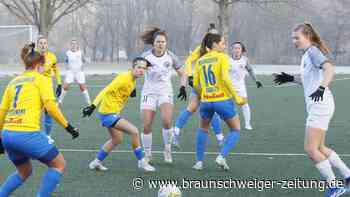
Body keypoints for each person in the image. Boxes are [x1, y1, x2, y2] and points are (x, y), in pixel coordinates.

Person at [273, 22, 350, 197]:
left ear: (307, 36)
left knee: (311, 149)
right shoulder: (307, 54)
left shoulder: (313, 52)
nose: (294, 41)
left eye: (297, 37)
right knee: (320, 147)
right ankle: (348, 176)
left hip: (320, 106)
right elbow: (308, 79)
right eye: (293, 38)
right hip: (320, 105)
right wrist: (290, 78)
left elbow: (330, 69)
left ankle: (335, 186)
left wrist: (322, 88)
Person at [0, 43, 79, 197]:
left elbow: (2, 111)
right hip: (27, 133)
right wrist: (68, 127)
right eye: (44, 66)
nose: (45, 69)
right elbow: (51, 108)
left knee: (24, 171)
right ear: (38, 65)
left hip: (8, 135)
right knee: (59, 164)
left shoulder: (13, 82)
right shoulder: (41, 79)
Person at [82, 57, 155, 172]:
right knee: (134, 131)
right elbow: (106, 90)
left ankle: (96, 162)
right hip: (108, 113)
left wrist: (132, 89)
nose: (141, 70)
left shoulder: (132, 79)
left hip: (110, 112)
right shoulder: (124, 78)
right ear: (132, 67)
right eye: (139, 67)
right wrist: (92, 106)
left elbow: (127, 88)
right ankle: (142, 161)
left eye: (144, 68)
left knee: (116, 139)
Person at [192, 33, 246, 171]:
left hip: (206, 101)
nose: (225, 46)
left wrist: (204, 95)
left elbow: (196, 84)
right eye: (222, 43)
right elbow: (226, 79)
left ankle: (199, 162)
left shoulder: (200, 60)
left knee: (203, 129)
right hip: (222, 99)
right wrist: (237, 97)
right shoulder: (223, 57)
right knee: (236, 129)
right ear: (214, 44)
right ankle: (221, 156)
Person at [140, 27, 187, 164]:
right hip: (148, 92)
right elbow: (135, 71)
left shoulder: (171, 56)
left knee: (167, 121)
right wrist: (131, 86)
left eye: (163, 42)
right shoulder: (146, 56)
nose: (160, 44)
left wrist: (183, 86)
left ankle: (167, 149)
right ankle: (148, 154)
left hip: (165, 92)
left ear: (166, 43)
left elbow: (183, 73)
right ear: (153, 43)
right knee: (147, 125)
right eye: (158, 41)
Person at [173, 23, 224, 148]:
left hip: (209, 85)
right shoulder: (201, 49)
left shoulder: (219, 50)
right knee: (211, 110)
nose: (214, 37)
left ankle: (175, 133)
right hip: (203, 85)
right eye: (211, 34)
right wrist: (188, 79)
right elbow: (189, 61)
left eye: (215, 34)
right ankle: (221, 139)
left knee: (192, 108)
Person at [229, 41, 263, 130]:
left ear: (241, 50)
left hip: (240, 87)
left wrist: (256, 80)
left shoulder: (245, 60)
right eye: (235, 48)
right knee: (225, 105)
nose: (236, 50)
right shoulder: (227, 60)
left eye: (238, 48)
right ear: (231, 50)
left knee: (245, 104)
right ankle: (220, 124)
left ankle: (248, 124)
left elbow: (250, 70)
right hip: (228, 86)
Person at [37, 36, 62, 137]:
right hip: (36, 86)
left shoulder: (52, 57)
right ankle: (35, 134)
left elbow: (56, 70)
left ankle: (48, 136)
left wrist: (59, 83)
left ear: (47, 45)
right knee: (36, 110)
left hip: (47, 86)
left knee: (48, 111)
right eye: (41, 43)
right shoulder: (34, 56)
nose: (43, 45)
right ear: (38, 45)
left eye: (44, 43)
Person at [58, 39, 91, 105]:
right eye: (72, 44)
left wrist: (83, 67)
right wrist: (67, 69)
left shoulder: (80, 52)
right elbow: (66, 61)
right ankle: (59, 102)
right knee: (65, 86)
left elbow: (84, 60)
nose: (73, 45)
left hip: (79, 72)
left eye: (75, 44)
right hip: (70, 72)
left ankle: (89, 103)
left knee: (82, 87)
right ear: (70, 45)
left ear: (77, 45)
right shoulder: (68, 53)